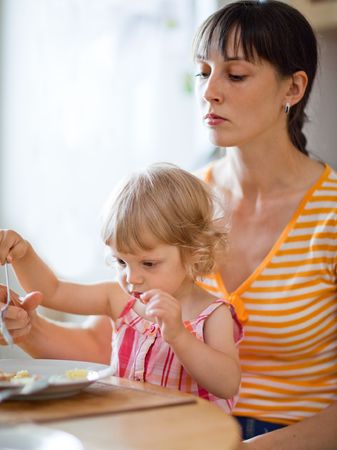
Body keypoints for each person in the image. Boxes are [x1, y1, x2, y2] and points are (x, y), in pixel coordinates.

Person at [1, 0, 337, 447]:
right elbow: (114, 337)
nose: (209, 92)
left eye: (235, 75)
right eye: (203, 72)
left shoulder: (329, 215)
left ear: (292, 89)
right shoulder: (179, 199)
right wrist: (29, 330)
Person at [0, 163, 242, 412]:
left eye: (148, 263)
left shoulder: (212, 314)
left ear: (194, 253)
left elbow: (227, 385)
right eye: (121, 261)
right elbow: (53, 292)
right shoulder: (118, 299)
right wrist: (23, 254)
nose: (132, 277)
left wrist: (179, 336)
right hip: (130, 431)